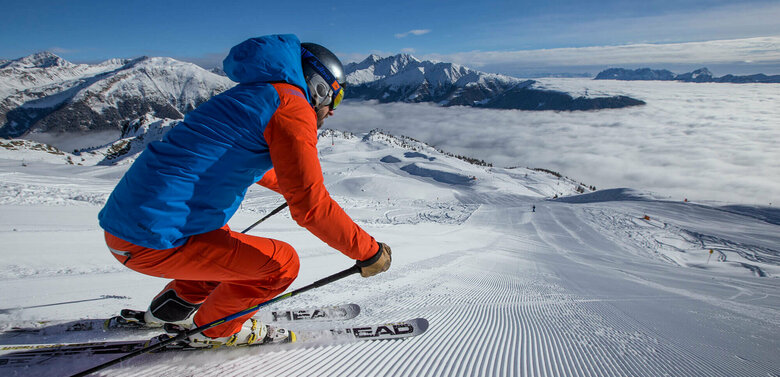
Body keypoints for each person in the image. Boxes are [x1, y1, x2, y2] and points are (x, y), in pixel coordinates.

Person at [98, 34, 392, 347]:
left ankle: (168, 313)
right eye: (335, 99)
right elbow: (311, 209)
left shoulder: (256, 94)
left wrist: (290, 186)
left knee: (229, 253)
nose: (332, 111)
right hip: (153, 241)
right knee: (280, 266)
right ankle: (214, 331)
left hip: (130, 229)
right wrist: (369, 253)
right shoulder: (292, 107)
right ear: (318, 87)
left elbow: (231, 158)